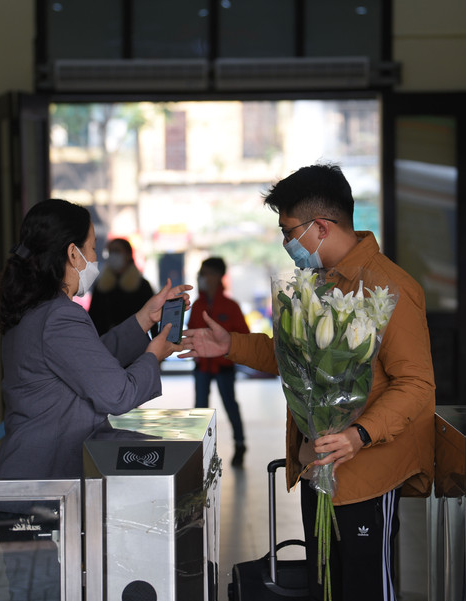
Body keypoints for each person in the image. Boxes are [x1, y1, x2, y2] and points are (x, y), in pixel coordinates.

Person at [180, 164, 436, 601]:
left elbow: (416, 384)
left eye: (289, 232)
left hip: (367, 475)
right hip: (318, 469)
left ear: (321, 226)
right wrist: (231, 345)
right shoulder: (314, 284)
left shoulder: (389, 286)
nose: (286, 244)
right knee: (325, 587)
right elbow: (296, 360)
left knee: (365, 590)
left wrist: (359, 435)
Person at [0, 199, 190, 600]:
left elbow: (92, 360)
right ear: (72, 253)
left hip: (29, 487)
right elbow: (117, 392)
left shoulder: (38, 311)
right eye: (93, 249)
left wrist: (144, 320)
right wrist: (154, 355)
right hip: (38, 490)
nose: (97, 259)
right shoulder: (59, 315)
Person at [188, 257, 250, 466]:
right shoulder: (198, 305)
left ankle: (240, 444)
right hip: (202, 366)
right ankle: (199, 449)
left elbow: (244, 335)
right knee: (200, 409)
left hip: (224, 367)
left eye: (205, 273)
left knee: (230, 405)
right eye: (201, 273)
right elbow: (191, 331)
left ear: (217, 276)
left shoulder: (230, 306)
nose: (201, 277)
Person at [88, 237, 155, 336]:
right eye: (110, 251)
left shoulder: (142, 285)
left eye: (117, 251)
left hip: (134, 341)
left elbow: (152, 317)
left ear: (128, 255)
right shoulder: (101, 285)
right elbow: (93, 317)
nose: (113, 255)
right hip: (105, 341)